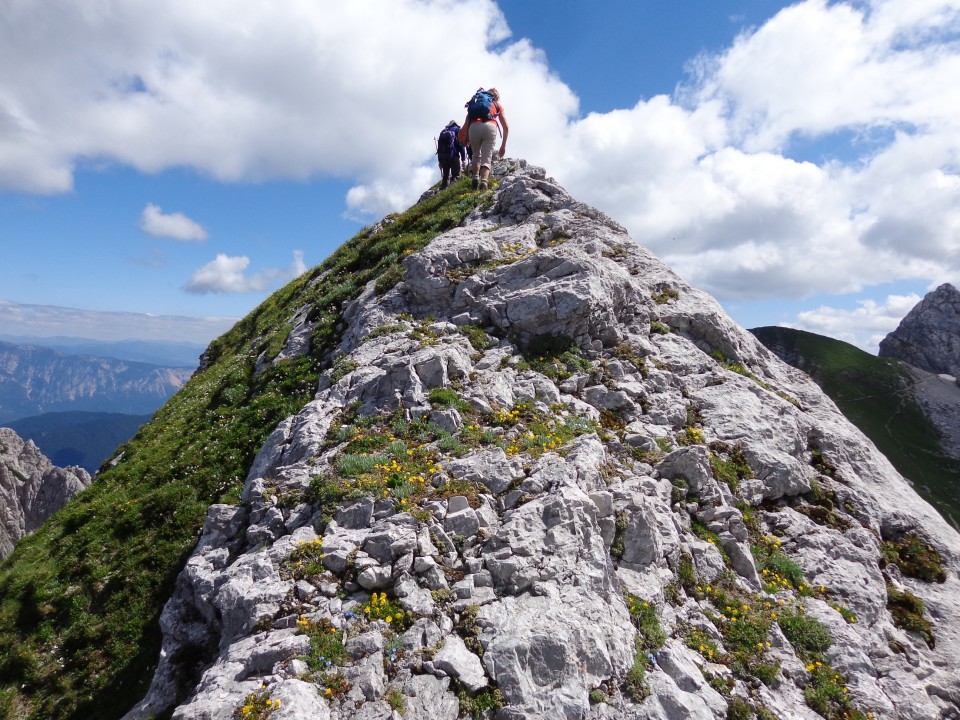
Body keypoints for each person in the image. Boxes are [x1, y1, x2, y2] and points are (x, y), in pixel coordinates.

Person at [463, 87, 509, 191]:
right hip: (490, 126)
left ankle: (475, 177)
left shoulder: (476, 102)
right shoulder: (497, 104)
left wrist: (466, 136)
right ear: (496, 96)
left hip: (474, 127)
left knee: (476, 154)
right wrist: (503, 146)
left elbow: (467, 120)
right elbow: (506, 127)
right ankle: (483, 182)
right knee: (487, 157)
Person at [436, 120, 465, 188]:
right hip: (454, 156)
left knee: (445, 176)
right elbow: (461, 145)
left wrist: (440, 161)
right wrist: (463, 158)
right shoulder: (458, 130)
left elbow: (439, 148)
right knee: (456, 176)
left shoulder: (443, 132)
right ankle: (454, 190)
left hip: (444, 158)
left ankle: (444, 189)